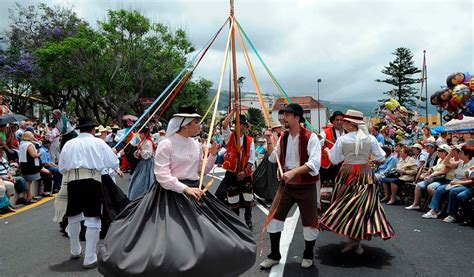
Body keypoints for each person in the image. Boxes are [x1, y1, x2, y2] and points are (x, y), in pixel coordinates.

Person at [98, 106, 256, 276]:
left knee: (209, 235)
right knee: (172, 240)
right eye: (196, 122)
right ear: (185, 125)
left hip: (194, 191)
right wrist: (185, 188)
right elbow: (162, 176)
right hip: (170, 194)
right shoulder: (167, 144)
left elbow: (200, 170)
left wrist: (211, 155)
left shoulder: (195, 144)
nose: (199, 126)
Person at [319, 109, 394, 254]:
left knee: (346, 206)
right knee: (362, 207)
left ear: (352, 124)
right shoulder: (370, 138)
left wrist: (328, 151)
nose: (343, 123)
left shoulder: (343, 139)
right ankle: (355, 241)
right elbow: (382, 158)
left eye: (346, 121)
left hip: (347, 174)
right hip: (365, 174)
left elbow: (335, 160)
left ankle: (352, 241)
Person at [260, 103, 321, 269]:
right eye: (283, 115)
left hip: (306, 185)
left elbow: (315, 163)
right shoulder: (284, 137)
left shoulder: (311, 137)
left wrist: (293, 172)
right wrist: (269, 141)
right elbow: (274, 158)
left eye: (287, 115)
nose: (283, 118)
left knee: (310, 222)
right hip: (286, 186)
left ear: (297, 117)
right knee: (274, 218)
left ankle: (308, 255)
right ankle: (274, 255)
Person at [58, 116, 119, 269]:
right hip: (92, 181)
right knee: (93, 217)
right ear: (93, 129)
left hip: (72, 181)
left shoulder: (69, 144)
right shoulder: (99, 142)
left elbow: (62, 168)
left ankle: (75, 249)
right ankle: (89, 257)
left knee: (73, 216)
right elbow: (113, 163)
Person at [222, 108, 256, 229]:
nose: (238, 126)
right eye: (236, 123)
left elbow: (252, 159)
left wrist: (244, 171)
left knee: (248, 197)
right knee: (233, 198)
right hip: (231, 172)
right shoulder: (228, 137)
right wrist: (232, 112)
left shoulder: (250, 140)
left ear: (244, 126)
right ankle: (236, 221)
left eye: (240, 124)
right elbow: (224, 124)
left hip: (245, 173)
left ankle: (248, 219)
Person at [422, 144, 474, 223]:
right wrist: (450, 153)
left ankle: (452, 214)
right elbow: (446, 163)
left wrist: (458, 182)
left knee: (453, 191)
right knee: (440, 189)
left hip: (466, 185)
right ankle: (433, 210)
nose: (459, 153)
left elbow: (472, 181)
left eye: (461, 152)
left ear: (467, 155)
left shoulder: (472, 164)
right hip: (455, 183)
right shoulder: (461, 162)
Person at [405, 144, 454, 210]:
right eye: (438, 150)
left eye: (440, 150)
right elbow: (433, 168)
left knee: (430, 187)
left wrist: (431, 175)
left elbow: (443, 172)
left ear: (445, 152)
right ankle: (416, 204)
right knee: (418, 185)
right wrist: (428, 173)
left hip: (441, 179)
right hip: (433, 178)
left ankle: (437, 206)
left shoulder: (449, 161)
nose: (437, 152)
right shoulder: (439, 159)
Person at [319, 111, 345, 205]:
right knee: (327, 193)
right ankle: (326, 212)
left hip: (344, 166)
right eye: (337, 120)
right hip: (329, 166)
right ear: (333, 122)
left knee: (342, 191)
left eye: (341, 120)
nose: (339, 122)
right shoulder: (325, 132)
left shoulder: (348, 133)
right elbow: (319, 144)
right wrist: (319, 140)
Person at [127, 127, 156, 200]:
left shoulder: (148, 142)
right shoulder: (142, 141)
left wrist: (141, 150)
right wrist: (138, 152)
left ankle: (148, 197)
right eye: (139, 133)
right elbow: (138, 155)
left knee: (147, 179)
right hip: (143, 162)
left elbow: (148, 155)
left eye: (141, 133)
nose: (140, 135)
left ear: (145, 134)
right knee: (138, 179)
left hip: (149, 163)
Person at [19, 131, 42, 203]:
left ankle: (29, 195)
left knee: (28, 181)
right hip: (30, 165)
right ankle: (29, 196)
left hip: (24, 164)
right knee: (29, 181)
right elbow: (33, 155)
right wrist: (39, 154)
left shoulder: (22, 144)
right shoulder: (29, 145)